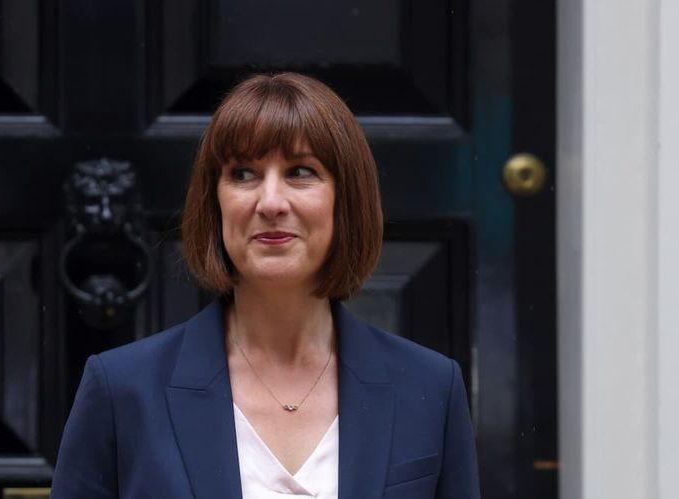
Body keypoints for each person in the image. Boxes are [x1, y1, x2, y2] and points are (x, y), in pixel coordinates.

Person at [50, 72, 480, 498]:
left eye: (300, 171)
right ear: (214, 203)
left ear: (345, 200)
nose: (271, 202)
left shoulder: (429, 388)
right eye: (243, 174)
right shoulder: (122, 389)